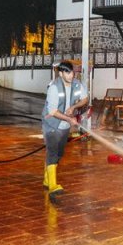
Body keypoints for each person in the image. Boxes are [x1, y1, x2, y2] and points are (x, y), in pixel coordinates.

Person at [42, 60, 88, 199]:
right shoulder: (54, 87)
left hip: (64, 126)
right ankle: (53, 186)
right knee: (52, 151)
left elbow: (85, 98)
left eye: (72, 72)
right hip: (51, 123)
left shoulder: (77, 84)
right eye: (67, 73)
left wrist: (74, 107)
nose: (71, 75)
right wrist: (69, 119)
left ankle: (46, 179)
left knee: (59, 153)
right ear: (61, 73)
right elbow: (53, 111)